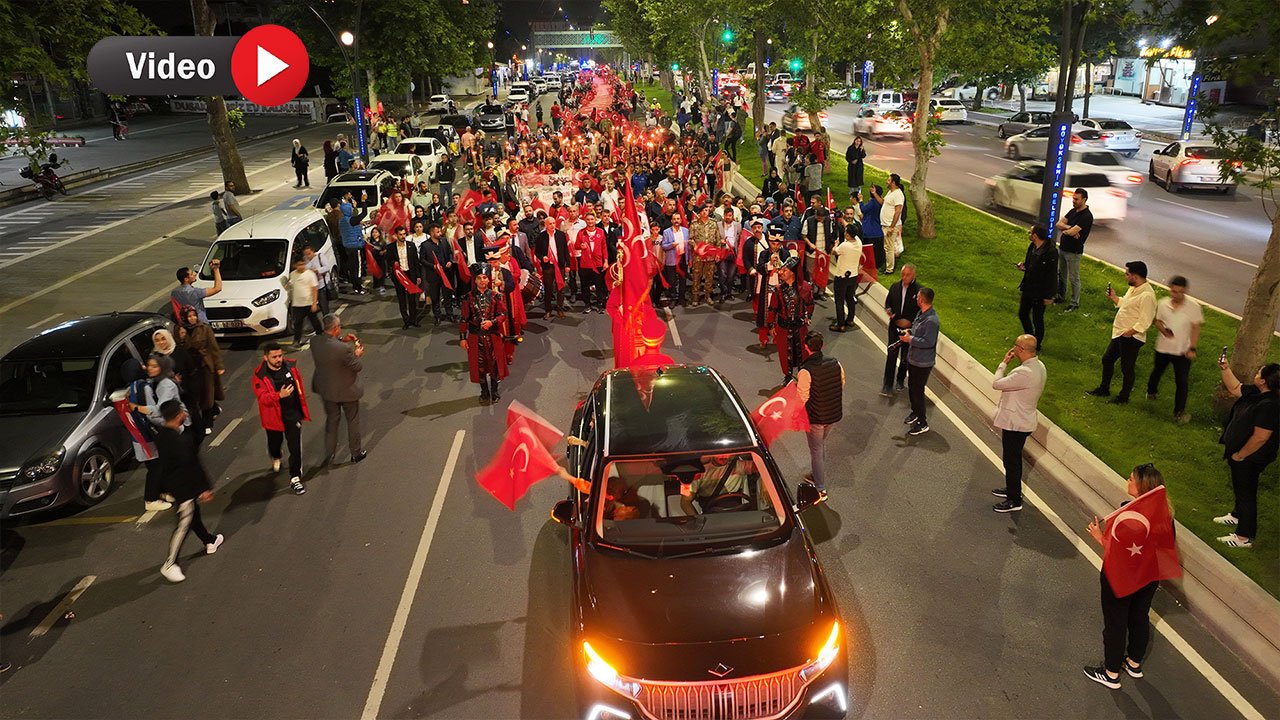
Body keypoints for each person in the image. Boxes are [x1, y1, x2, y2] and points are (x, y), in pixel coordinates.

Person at [1082, 463, 1174, 689]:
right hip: (1149, 577)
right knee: (1139, 617)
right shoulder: (1165, 516)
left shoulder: (1129, 514)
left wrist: (1098, 536)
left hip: (1121, 578)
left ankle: (1111, 672)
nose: (1128, 480)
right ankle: (1133, 662)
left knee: (1116, 622)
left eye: (1131, 479)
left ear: (1142, 486)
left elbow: (1116, 552)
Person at [155, 400, 222, 583]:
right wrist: (204, 489)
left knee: (194, 515)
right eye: (182, 412)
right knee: (184, 524)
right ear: (178, 416)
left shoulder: (162, 436)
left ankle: (209, 540)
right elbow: (193, 466)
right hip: (184, 489)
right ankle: (170, 563)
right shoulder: (182, 441)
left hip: (174, 486)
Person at [1213, 361, 1278, 549]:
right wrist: (1225, 369)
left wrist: (1241, 455)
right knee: (1240, 487)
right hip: (1241, 453)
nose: (1256, 374)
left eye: (1258, 372)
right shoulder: (1258, 393)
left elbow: (1260, 437)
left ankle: (1244, 536)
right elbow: (1235, 388)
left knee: (1246, 492)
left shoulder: (1270, 405)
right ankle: (1236, 515)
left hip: (1251, 456)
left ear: (1264, 381)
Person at [990, 335, 1047, 513]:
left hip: (1016, 423)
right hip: (1023, 420)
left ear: (1020, 349)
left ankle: (1014, 499)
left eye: (1015, 345)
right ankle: (1012, 489)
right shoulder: (1040, 366)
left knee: (1011, 461)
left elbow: (997, 383)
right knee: (1012, 460)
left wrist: (1003, 364)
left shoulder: (1024, 373)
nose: (1013, 348)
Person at [1088, 261, 1157, 404]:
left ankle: (1123, 397)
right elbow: (1126, 305)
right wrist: (1114, 298)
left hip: (1131, 337)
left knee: (1127, 367)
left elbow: (1145, 321)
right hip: (1121, 333)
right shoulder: (1134, 288)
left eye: (1127, 274)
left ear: (1135, 276)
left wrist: (1129, 333)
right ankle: (1104, 388)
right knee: (1107, 359)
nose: (1125, 277)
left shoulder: (1147, 296)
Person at [252, 343, 309, 495]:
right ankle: (276, 455)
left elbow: (298, 387)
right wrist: (279, 395)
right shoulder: (260, 376)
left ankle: (295, 477)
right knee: (274, 443)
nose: (278, 359)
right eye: (274, 357)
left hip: (292, 415)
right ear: (266, 358)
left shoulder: (290, 367)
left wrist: (301, 407)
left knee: (295, 447)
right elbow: (262, 398)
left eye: (280, 356)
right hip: (273, 418)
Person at [311, 314, 367, 466]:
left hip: (327, 390)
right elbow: (357, 366)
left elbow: (330, 348)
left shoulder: (314, 342)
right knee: (352, 420)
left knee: (332, 421)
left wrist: (342, 340)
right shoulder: (344, 349)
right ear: (336, 328)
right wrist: (357, 355)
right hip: (347, 390)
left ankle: (329, 454)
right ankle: (356, 453)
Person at [1146, 276, 1203, 423]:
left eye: (1179, 292)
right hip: (1163, 348)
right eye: (1173, 291)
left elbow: (1195, 328)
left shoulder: (1193, 307)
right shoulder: (1163, 304)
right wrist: (1164, 331)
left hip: (1182, 351)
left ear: (1185, 291)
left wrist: (1192, 348)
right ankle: (1151, 391)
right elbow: (1157, 321)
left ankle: (1179, 412)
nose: (1175, 294)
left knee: (1182, 381)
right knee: (1157, 371)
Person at [796, 332, 845, 498]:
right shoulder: (835, 363)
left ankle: (820, 488)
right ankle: (816, 474)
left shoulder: (806, 371)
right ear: (822, 346)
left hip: (816, 417)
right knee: (820, 445)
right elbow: (841, 383)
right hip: (833, 414)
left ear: (806, 347)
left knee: (816, 450)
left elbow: (802, 397)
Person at [459, 269, 509, 403]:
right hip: (475, 337)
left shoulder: (495, 296)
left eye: (485, 278)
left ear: (488, 279)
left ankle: (494, 390)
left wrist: (492, 322)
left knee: (494, 365)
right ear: (475, 280)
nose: (482, 281)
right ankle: (484, 392)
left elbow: (503, 314)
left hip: (492, 336)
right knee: (479, 366)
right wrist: (463, 338)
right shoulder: (467, 297)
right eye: (479, 278)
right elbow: (464, 318)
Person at [766, 257, 814, 383]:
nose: (781, 272)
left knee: (801, 352)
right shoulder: (778, 290)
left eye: (784, 270)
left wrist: (807, 316)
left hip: (800, 328)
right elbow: (772, 309)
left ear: (792, 272)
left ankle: (802, 375)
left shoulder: (805, 288)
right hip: (783, 329)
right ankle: (787, 377)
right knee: (784, 353)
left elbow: (810, 304)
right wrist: (771, 326)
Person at [177, 305, 224, 432]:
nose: (192, 318)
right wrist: (181, 338)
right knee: (197, 394)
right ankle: (214, 408)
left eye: (194, 315)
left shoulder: (204, 329)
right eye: (189, 316)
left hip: (205, 365)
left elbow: (213, 348)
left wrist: (219, 365)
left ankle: (207, 422)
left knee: (207, 393)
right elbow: (180, 349)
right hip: (190, 368)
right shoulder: (180, 330)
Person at [900, 286, 938, 436]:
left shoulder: (932, 321)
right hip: (914, 359)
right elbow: (916, 331)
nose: (916, 298)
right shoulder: (921, 314)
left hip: (923, 363)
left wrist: (910, 339)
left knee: (918, 391)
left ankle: (923, 422)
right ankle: (915, 412)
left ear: (922, 299)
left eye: (917, 297)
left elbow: (928, 341)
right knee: (912, 387)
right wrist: (909, 333)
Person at [1017, 224, 1058, 350]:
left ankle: (1036, 345)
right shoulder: (1032, 247)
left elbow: (1051, 275)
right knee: (1023, 314)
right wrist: (1024, 266)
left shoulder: (1050, 252)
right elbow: (1030, 264)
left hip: (1040, 292)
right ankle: (1030, 338)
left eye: (1030, 232)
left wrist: (1049, 295)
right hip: (1028, 288)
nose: (1029, 234)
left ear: (1035, 236)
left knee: (1037, 318)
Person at [882, 264, 919, 395]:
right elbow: (888, 303)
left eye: (907, 275)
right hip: (894, 328)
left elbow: (920, 311)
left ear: (913, 275)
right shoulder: (895, 287)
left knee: (905, 357)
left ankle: (900, 380)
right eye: (903, 274)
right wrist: (889, 311)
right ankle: (887, 385)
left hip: (909, 330)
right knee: (891, 355)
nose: (904, 277)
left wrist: (910, 321)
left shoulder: (919, 291)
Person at [1055, 188, 1093, 311]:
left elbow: (1071, 232)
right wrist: (1070, 229)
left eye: (1076, 199)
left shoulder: (1087, 216)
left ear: (1084, 199)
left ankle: (1074, 303)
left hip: (1074, 252)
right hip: (1063, 248)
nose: (1074, 201)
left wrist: (1069, 230)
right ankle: (1061, 296)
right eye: (1073, 198)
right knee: (1062, 274)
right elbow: (1058, 224)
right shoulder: (1073, 211)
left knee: (1074, 278)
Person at [830, 224, 863, 332]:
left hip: (842, 277)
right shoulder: (858, 242)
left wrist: (835, 244)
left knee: (839, 301)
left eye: (845, 232)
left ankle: (840, 324)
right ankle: (850, 320)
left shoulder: (844, 246)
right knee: (850, 298)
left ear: (848, 235)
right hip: (853, 275)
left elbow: (834, 252)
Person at [283, 257, 323, 347]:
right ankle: (297, 341)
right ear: (295, 265)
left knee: (315, 322)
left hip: (309, 303)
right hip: (297, 304)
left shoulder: (310, 274)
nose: (301, 266)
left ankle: (321, 337)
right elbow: (290, 285)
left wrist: (314, 303)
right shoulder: (292, 274)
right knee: (297, 323)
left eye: (302, 264)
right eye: (299, 265)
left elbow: (314, 289)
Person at [881, 174, 905, 274]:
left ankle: (889, 269)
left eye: (888, 180)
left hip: (890, 226)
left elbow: (898, 211)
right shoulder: (890, 192)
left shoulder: (898, 195)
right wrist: (875, 194)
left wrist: (891, 227)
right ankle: (888, 265)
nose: (887, 182)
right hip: (885, 224)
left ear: (893, 182)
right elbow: (883, 203)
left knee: (889, 248)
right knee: (887, 247)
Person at [859, 186, 885, 271]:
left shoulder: (873, 202)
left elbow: (863, 209)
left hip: (870, 231)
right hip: (878, 230)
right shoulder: (881, 202)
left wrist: (861, 201)